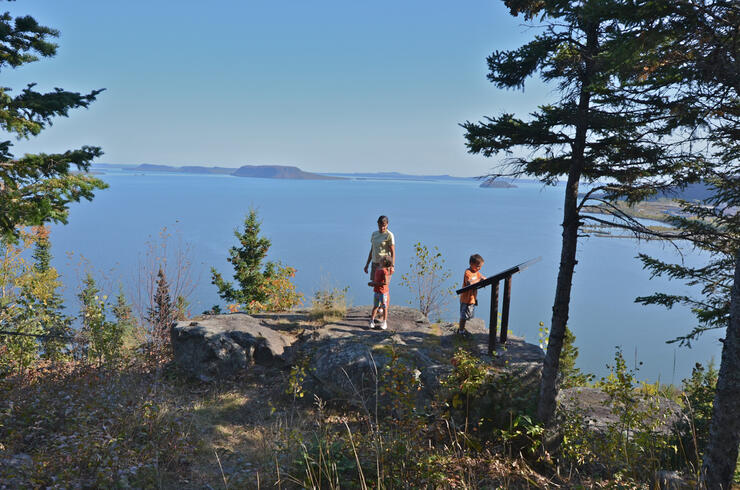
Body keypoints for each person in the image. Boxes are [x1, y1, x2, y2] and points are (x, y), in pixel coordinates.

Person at [458, 254, 486, 336]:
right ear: (471, 264)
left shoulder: (477, 273)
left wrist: (483, 280)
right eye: (477, 266)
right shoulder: (468, 272)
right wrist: (479, 280)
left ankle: (463, 329)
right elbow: (469, 283)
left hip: (472, 299)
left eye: (480, 267)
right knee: (463, 316)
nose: (479, 268)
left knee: (469, 315)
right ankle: (461, 331)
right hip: (465, 299)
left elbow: (483, 278)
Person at [363, 215, 395, 281]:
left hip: (384, 265)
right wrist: (367, 264)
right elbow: (372, 250)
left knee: (383, 286)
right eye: (380, 225)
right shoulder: (374, 234)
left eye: (384, 225)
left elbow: (393, 252)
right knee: (375, 286)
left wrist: (392, 266)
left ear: (387, 224)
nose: (382, 227)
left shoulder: (389, 235)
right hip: (374, 263)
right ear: (378, 224)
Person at [368, 256, 392, 330]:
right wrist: (374, 284)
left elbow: (385, 282)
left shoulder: (384, 271)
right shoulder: (378, 269)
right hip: (376, 291)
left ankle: (384, 322)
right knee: (375, 306)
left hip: (382, 292)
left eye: (382, 258)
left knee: (384, 307)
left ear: (384, 262)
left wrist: (374, 284)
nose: (380, 258)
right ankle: (372, 321)